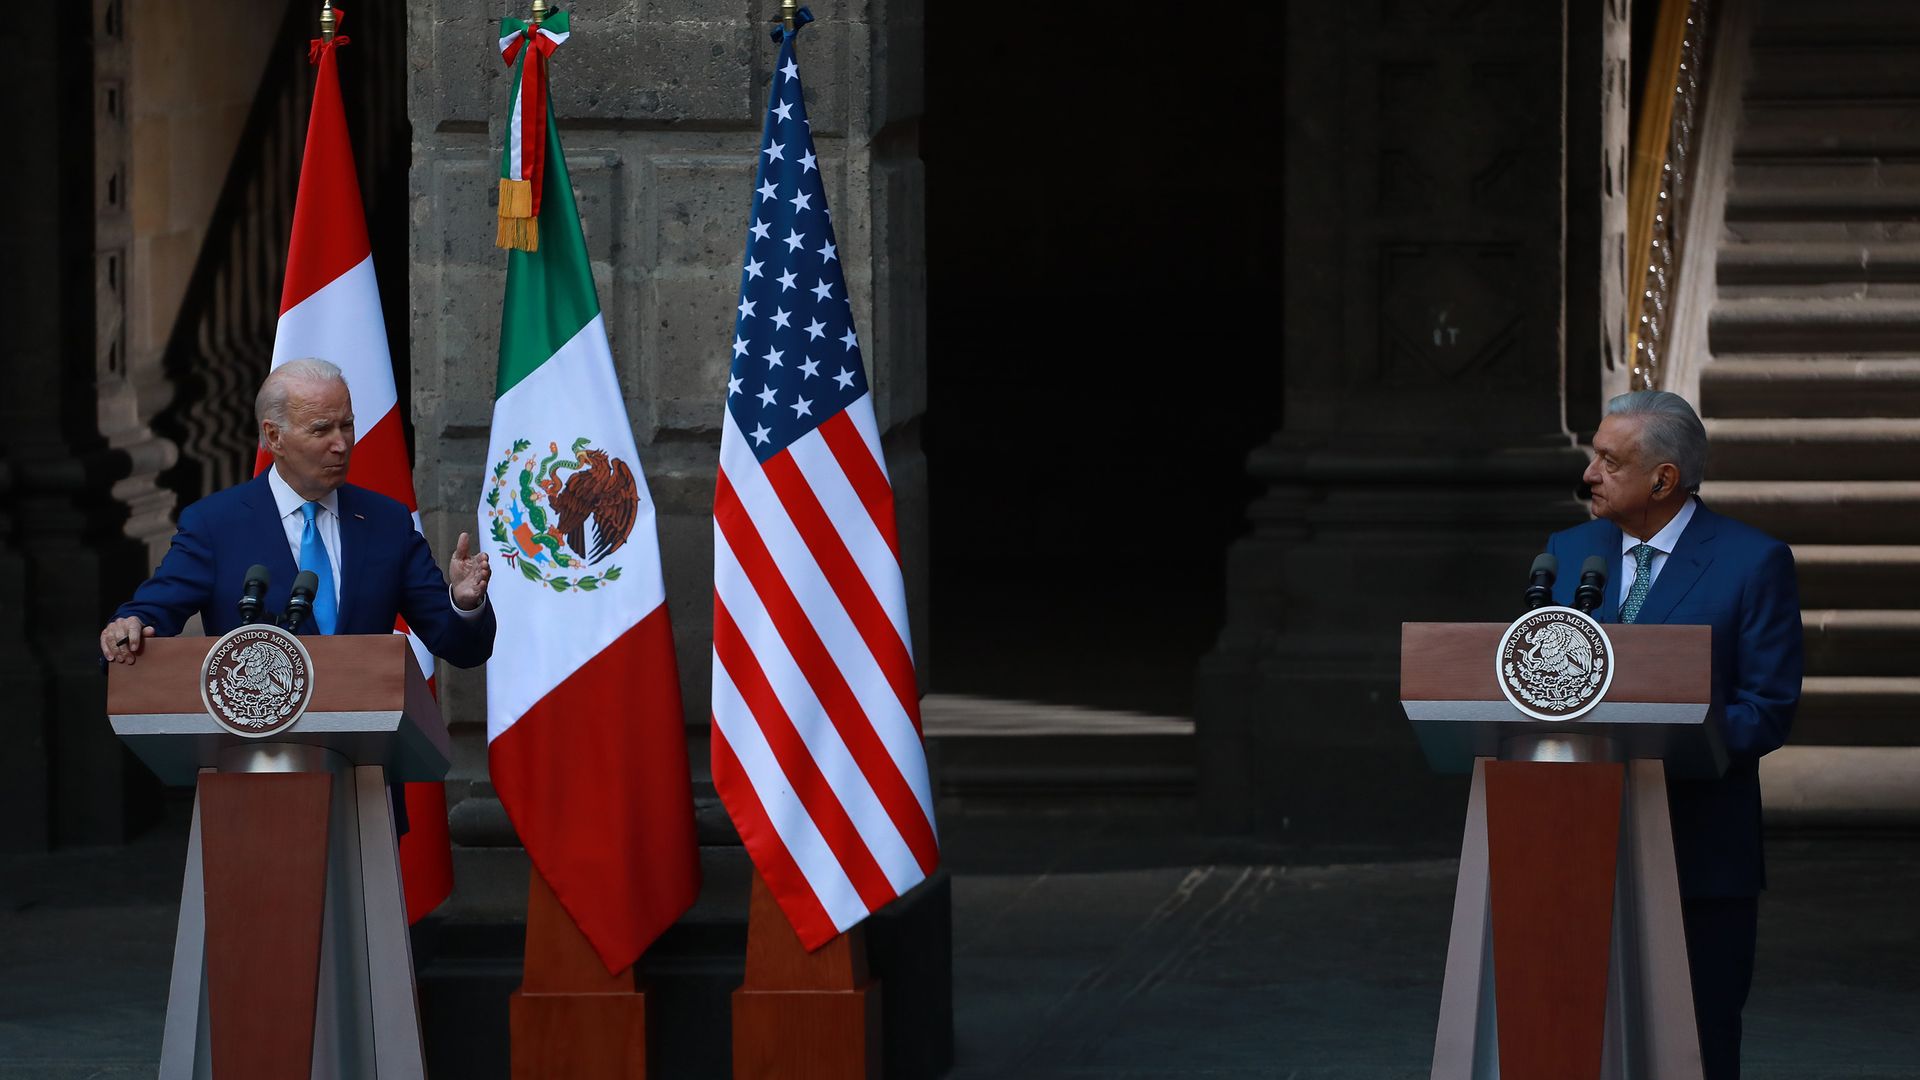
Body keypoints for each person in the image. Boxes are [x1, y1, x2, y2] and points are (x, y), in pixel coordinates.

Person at [1547, 389, 1802, 1080]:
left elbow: (1768, 707)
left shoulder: (1753, 562)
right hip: (1573, 839)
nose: (1589, 476)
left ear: (1663, 479)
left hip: (1697, 849)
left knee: (1696, 1040)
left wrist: (1662, 736)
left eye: (1607, 460)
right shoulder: (1566, 554)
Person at [100, 358, 495, 668]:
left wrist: (464, 602)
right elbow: (151, 613)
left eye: (347, 425)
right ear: (274, 437)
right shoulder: (215, 525)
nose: (341, 444)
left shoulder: (387, 521)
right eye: (322, 430)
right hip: (255, 755)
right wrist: (128, 628)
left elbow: (461, 649)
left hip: (364, 757)